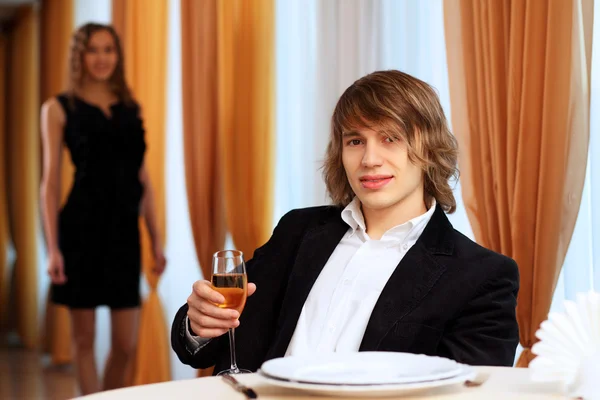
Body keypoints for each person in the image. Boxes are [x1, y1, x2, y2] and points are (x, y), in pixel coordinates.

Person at [171, 70, 519, 373]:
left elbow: (467, 391)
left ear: (429, 148)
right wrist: (199, 324)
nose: (369, 159)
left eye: (390, 138)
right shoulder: (297, 231)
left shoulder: (482, 276)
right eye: (355, 141)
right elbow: (212, 346)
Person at [40, 23, 166, 395]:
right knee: (83, 340)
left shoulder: (131, 108)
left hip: (125, 233)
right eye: (93, 50)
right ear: (79, 56)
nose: (101, 58)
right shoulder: (58, 108)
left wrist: (156, 239)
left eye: (108, 49)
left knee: (126, 344)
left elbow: (143, 180)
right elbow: (48, 183)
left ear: (117, 56)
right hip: (80, 231)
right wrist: (52, 248)